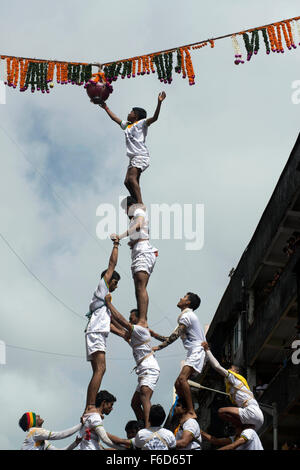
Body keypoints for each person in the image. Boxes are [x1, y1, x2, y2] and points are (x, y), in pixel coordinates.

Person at [94, 92, 166, 204]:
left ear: (136, 115)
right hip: (133, 158)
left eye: (131, 112)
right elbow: (115, 118)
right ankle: (136, 202)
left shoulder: (142, 123)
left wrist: (159, 102)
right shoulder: (127, 125)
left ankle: (140, 203)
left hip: (141, 155)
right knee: (127, 182)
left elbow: (155, 118)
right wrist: (105, 107)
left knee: (132, 179)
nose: (129, 113)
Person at [105, 295, 163, 428]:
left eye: (132, 319)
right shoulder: (135, 336)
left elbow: (122, 321)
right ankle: (143, 425)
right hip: (144, 370)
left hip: (150, 368)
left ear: (138, 318)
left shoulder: (141, 330)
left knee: (144, 396)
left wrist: (109, 304)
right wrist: (107, 318)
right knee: (135, 403)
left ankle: (150, 429)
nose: (130, 321)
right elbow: (120, 330)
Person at [152, 292, 205, 419]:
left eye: (184, 297)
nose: (181, 298)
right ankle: (186, 407)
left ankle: (191, 411)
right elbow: (170, 337)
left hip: (197, 352)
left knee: (182, 379)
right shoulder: (186, 317)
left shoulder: (187, 316)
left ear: (188, 303)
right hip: (194, 352)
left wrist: (159, 347)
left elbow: (174, 337)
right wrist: (153, 334)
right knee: (177, 384)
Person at [84, 238, 122, 415]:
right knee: (101, 369)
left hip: (97, 332)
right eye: (115, 282)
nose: (116, 286)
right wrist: (116, 245)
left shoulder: (104, 303)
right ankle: (91, 406)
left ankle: (91, 406)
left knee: (98, 371)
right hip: (96, 333)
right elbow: (112, 264)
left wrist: (124, 334)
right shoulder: (102, 288)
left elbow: (110, 324)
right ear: (110, 280)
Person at [110, 196, 158, 322]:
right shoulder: (134, 215)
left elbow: (139, 225)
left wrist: (120, 236)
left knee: (140, 286)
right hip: (138, 251)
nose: (125, 212)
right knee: (138, 288)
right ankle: (141, 319)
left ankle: (143, 320)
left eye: (125, 209)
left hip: (143, 251)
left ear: (130, 206)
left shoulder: (138, 212)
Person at [202, 341, 264, 431]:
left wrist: (207, 350)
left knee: (221, 412)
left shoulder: (234, 378)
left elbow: (217, 366)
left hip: (251, 411)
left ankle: (239, 426)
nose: (228, 370)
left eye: (231, 368)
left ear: (236, 372)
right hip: (255, 418)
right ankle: (239, 427)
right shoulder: (234, 388)